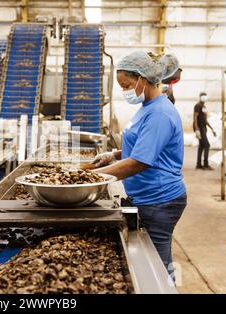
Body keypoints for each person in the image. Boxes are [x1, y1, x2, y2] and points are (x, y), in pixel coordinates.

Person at [91, 51, 186, 280]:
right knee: (154, 259)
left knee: (158, 266)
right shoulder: (148, 106)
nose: (124, 91)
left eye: (126, 85)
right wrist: (113, 155)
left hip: (159, 200)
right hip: (148, 196)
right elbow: (145, 146)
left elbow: (139, 162)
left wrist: (92, 178)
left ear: (142, 78)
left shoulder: (160, 113)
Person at [193, 92, 216, 170]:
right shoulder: (197, 105)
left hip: (204, 128)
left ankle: (198, 164)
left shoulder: (204, 106)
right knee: (207, 145)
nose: (204, 97)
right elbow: (195, 117)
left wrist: (212, 129)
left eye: (205, 96)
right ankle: (205, 164)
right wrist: (196, 129)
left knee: (201, 146)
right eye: (202, 96)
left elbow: (205, 119)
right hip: (200, 128)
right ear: (200, 97)